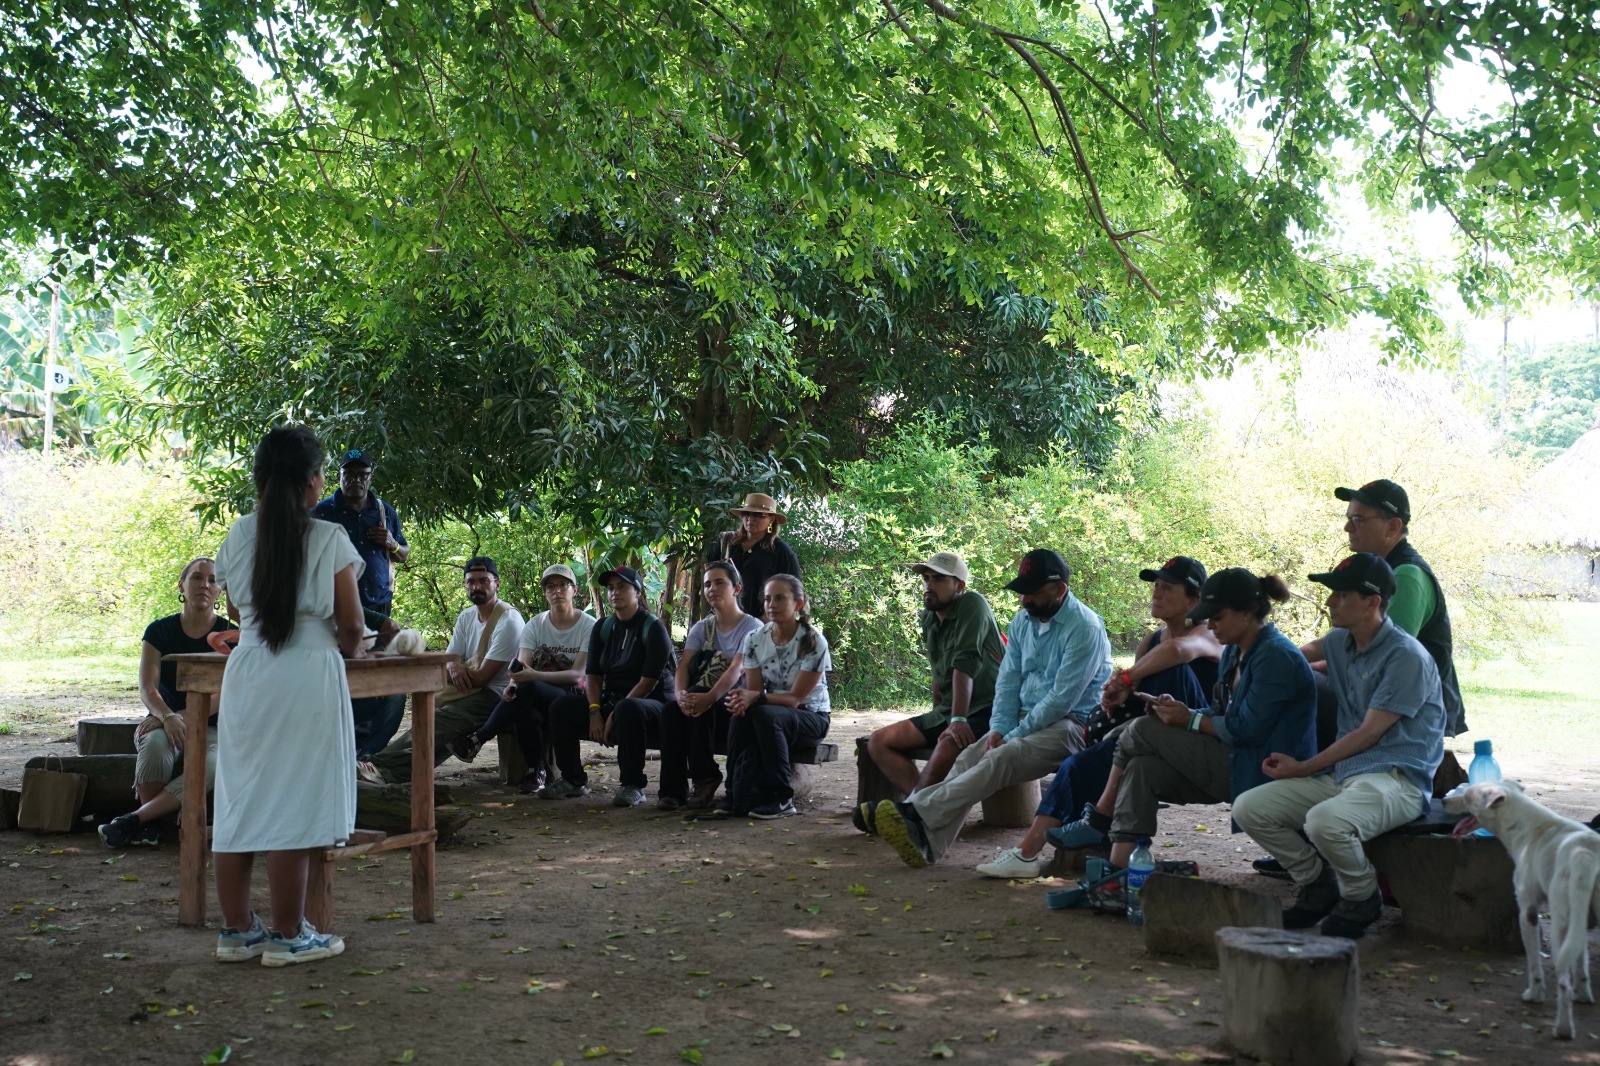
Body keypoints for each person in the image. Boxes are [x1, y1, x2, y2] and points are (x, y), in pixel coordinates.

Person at [1004, 569, 1316, 881]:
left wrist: (1189, 719)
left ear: (1246, 613)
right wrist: (1182, 711)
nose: (1211, 625)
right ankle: (1120, 872)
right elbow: (1221, 711)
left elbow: (1245, 730)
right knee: (1143, 768)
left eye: (1218, 617)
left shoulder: (1274, 656)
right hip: (1235, 759)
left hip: (1263, 770)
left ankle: (1098, 820)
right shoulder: (1235, 649)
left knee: (1142, 729)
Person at [209, 425, 366, 966]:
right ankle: (288, 935)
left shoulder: (238, 534)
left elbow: (237, 609)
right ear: (313, 481)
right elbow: (352, 626)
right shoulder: (329, 538)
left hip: (250, 671)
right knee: (293, 798)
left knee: (240, 797)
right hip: (307, 675)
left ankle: (236, 931)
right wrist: (354, 649)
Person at [1233, 552, 1447, 939]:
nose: (1330, 601)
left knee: (1324, 822)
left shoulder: (1406, 656)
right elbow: (1294, 656)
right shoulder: (1340, 642)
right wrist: (1251, 663)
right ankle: (1317, 883)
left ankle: (1361, 897)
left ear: (1372, 602)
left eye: (1342, 595)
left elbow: (1368, 734)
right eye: (1332, 593)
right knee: (1249, 807)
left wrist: (1303, 767)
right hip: (1346, 774)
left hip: (1397, 779)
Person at [973, 556, 1223, 878]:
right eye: (1156, 586)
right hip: (1148, 741)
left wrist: (1127, 678)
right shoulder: (1151, 641)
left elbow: (1177, 651)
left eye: (1167, 588)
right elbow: (1140, 695)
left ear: (1194, 600)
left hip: (1195, 740)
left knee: (1171, 669)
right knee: (1078, 765)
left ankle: (1061, 839)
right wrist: (1116, 697)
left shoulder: (1208, 635)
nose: (1156, 593)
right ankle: (1029, 853)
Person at [874, 549, 1112, 868]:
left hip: (1072, 726)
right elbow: (1008, 681)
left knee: (1002, 756)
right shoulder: (1023, 621)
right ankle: (927, 843)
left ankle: (916, 811)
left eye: (1033, 592)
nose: (1024, 600)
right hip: (1025, 719)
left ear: (1060, 590)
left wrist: (1012, 735)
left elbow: (1061, 700)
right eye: (1022, 591)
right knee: (968, 758)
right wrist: (999, 727)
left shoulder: (1085, 627)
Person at [856, 552, 1005, 830]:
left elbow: (964, 664)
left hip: (991, 708)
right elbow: (939, 673)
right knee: (878, 741)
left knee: (948, 742)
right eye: (926, 578)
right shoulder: (929, 616)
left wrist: (957, 720)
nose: (929, 585)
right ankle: (926, 813)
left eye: (939, 579)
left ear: (959, 586)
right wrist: (942, 716)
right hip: (951, 710)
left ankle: (913, 814)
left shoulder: (973, 604)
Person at [97, 558, 233, 849]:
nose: (205, 585)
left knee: (213, 763)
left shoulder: (230, 635)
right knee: (155, 745)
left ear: (220, 591)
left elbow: (225, 694)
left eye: (212, 580)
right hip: (164, 721)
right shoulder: (159, 631)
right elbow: (147, 687)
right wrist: (166, 717)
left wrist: (176, 717)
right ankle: (151, 827)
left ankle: (137, 820)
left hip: (214, 728)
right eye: (196, 578)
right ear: (182, 586)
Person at [362, 557, 524, 785]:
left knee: (436, 720)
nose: (476, 586)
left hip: (498, 695)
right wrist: (454, 665)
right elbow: (449, 660)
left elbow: (480, 678)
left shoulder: (509, 621)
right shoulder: (467, 616)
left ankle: (373, 765)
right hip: (469, 692)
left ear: (497, 584)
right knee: (440, 729)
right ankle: (386, 775)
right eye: (471, 582)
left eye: (483, 581)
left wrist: (449, 668)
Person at [446, 564, 596, 791]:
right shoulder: (536, 624)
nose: (556, 591)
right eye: (550, 587)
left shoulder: (588, 625)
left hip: (575, 697)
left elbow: (576, 675)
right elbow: (521, 666)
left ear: (574, 590)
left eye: (562, 585)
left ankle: (478, 739)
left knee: (530, 688)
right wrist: (513, 684)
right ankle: (537, 771)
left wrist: (531, 676)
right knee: (524, 706)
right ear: (545, 593)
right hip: (539, 694)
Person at [1333, 480, 1464, 736]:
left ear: (1393, 526)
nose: (1347, 527)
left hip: (1413, 716)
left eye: (1358, 519)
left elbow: (1382, 655)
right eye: (1349, 519)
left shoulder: (1406, 576)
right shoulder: (1380, 571)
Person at [544, 566, 676, 807]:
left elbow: (648, 682)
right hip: (615, 701)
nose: (615, 592)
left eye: (622, 587)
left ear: (637, 592)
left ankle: (633, 785)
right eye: (611, 588)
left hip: (654, 704)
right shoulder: (603, 627)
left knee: (628, 708)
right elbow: (593, 675)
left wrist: (614, 714)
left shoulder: (653, 628)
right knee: (561, 707)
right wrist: (595, 711)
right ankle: (573, 779)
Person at [312, 448, 411, 763]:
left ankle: (368, 756)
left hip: (379, 611)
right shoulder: (321, 512)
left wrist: (390, 543)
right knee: (338, 681)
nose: (355, 479)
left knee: (385, 686)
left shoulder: (384, 511)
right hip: (333, 615)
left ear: (371, 477)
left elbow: (404, 553)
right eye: (349, 473)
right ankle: (335, 753)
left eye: (362, 474)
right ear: (339, 475)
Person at [718, 574, 832, 819]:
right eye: (768, 599)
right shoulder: (754, 639)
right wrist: (744, 700)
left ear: (797, 604)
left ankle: (781, 798)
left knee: (765, 715)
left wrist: (755, 698)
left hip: (811, 718)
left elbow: (794, 699)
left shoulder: (813, 641)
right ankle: (734, 795)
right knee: (741, 714)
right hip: (771, 715)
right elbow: (754, 692)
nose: (772, 604)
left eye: (780, 598)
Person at [657, 561, 760, 811]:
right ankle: (672, 790)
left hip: (736, 706)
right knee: (671, 710)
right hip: (701, 700)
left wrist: (708, 697)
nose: (712, 588)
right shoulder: (702, 627)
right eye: (707, 584)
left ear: (736, 588)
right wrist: (680, 695)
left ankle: (705, 778)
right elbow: (684, 666)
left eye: (719, 582)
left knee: (701, 702)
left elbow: (737, 668)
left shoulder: (752, 627)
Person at [707, 492, 801, 620]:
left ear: (771, 519)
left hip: (761, 624)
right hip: (724, 620)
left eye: (758, 515)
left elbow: (795, 592)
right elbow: (710, 577)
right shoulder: (727, 543)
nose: (750, 519)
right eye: (746, 514)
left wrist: (766, 619)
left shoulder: (781, 552)